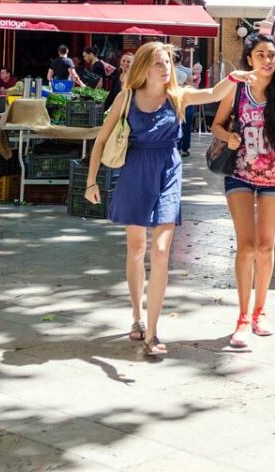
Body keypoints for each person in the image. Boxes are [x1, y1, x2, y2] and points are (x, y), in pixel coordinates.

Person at [84, 42, 245, 356]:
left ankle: (153, 333)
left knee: (160, 252)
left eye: (168, 63)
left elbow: (213, 93)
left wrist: (234, 78)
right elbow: (101, 140)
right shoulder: (126, 97)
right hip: (135, 171)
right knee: (136, 249)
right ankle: (137, 315)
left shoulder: (177, 96)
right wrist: (91, 181)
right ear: (144, 68)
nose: (166, 68)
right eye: (159, 63)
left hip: (168, 172)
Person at [210, 32, 275, 348]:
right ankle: (242, 317)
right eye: (261, 54)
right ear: (250, 58)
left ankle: (260, 311)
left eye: (272, 55)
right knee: (247, 245)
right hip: (239, 174)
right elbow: (216, 125)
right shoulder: (237, 88)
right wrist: (228, 137)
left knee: (265, 247)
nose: (267, 60)